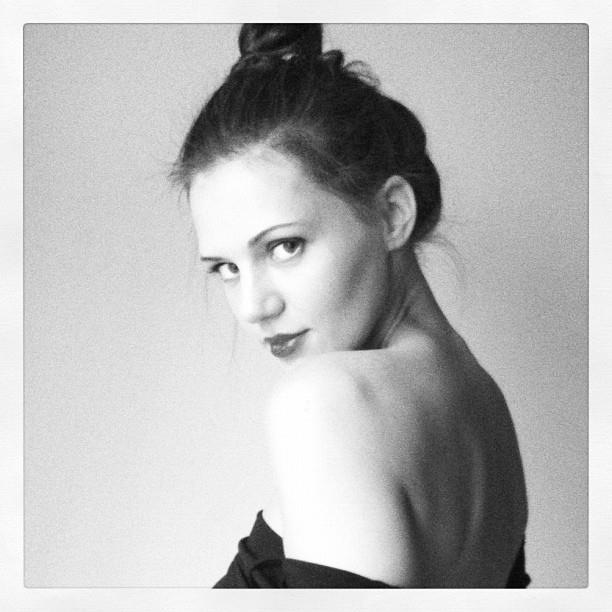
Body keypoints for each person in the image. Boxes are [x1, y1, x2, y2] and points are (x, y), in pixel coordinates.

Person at [171, 23, 530, 588]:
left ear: (392, 214)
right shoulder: (482, 401)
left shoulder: (326, 402)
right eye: (226, 268)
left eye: (285, 246)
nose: (252, 307)